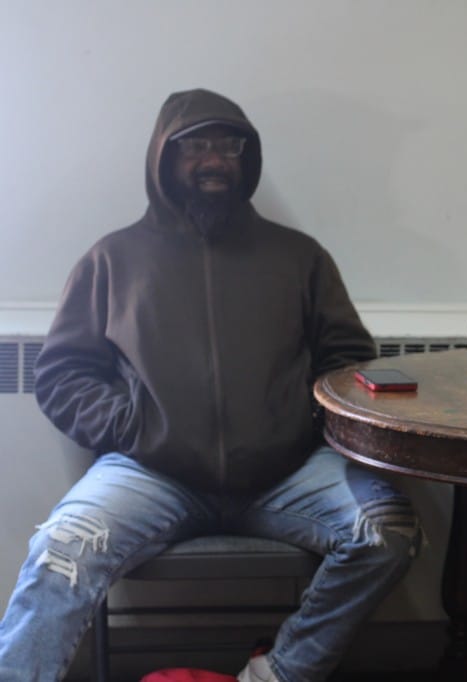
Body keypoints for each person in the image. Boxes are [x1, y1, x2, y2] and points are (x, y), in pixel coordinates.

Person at [0, 88, 421, 682]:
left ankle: (277, 673)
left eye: (229, 146)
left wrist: (300, 423)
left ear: (248, 158)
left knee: (390, 534)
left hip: (288, 473)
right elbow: (63, 374)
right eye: (195, 146)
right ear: (163, 158)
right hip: (151, 473)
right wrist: (134, 425)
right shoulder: (112, 259)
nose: (214, 160)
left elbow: (347, 361)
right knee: (58, 552)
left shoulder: (299, 257)